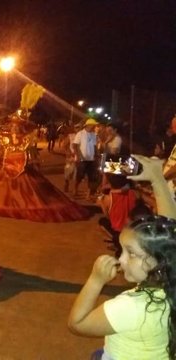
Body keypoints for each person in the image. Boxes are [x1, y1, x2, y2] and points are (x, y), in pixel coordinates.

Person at [68, 214, 176, 360]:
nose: (121, 259)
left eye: (131, 253)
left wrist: (95, 280)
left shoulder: (131, 306)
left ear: (160, 261)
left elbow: (77, 323)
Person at [72, 118, 99, 199]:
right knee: (79, 176)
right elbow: (75, 146)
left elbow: (94, 146)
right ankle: (75, 189)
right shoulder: (80, 134)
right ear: (88, 125)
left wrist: (97, 155)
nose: (94, 127)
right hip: (82, 160)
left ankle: (88, 194)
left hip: (91, 160)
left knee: (91, 177)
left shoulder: (94, 135)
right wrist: (79, 156)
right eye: (93, 125)